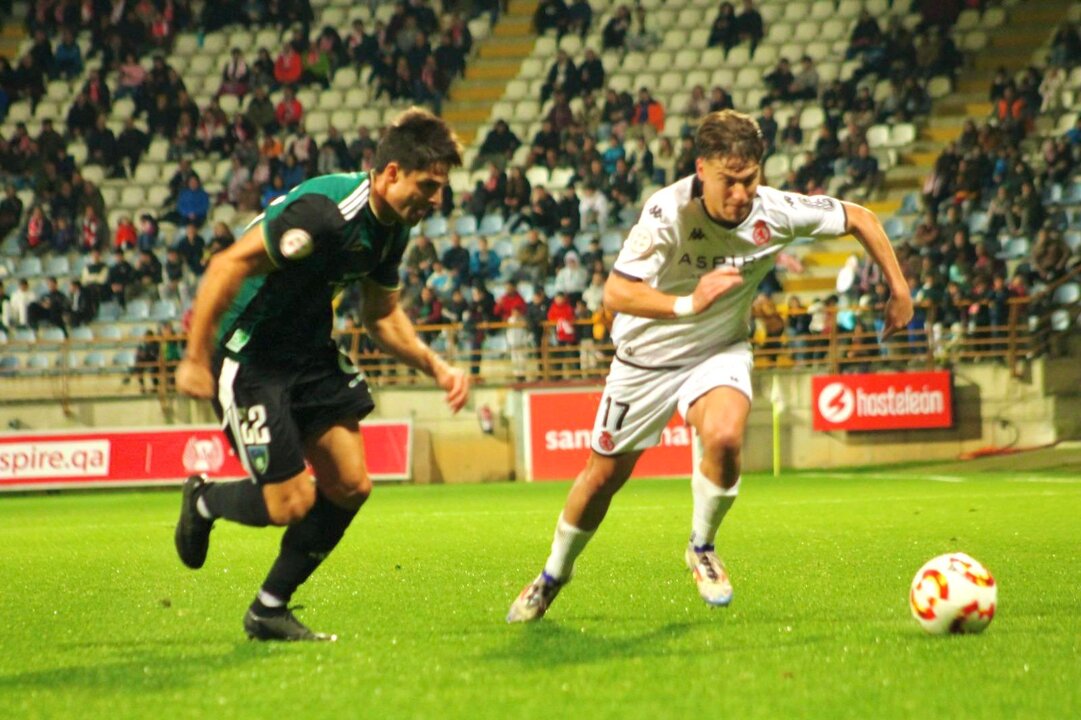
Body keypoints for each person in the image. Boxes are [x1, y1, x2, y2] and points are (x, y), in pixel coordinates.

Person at [507, 110, 912, 622]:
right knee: (602, 477)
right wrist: (686, 304)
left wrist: (898, 287)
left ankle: (702, 546)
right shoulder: (667, 213)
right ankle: (552, 577)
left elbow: (861, 217)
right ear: (702, 169)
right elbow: (615, 292)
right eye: (729, 181)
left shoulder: (777, 211)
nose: (741, 194)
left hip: (718, 348)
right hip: (645, 359)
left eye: (750, 180)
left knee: (723, 436)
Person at [173, 108, 470, 642]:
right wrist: (195, 358)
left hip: (308, 354)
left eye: (442, 189)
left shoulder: (391, 230)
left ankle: (268, 610)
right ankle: (203, 499)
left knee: (351, 485)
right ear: (391, 173)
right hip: (251, 354)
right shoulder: (326, 212)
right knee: (290, 504)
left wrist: (437, 365)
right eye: (428, 186)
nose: (436, 201)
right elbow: (225, 267)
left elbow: (381, 316)